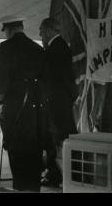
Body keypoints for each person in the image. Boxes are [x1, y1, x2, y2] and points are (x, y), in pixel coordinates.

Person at [0, 15, 46, 192]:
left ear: (8, 30)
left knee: (16, 150)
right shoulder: (37, 47)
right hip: (35, 107)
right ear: (21, 27)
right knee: (34, 151)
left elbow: (1, 80)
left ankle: (20, 188)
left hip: (14, 106)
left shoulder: (5, 47)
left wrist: (0, 102)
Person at [39, 18, 78, 188]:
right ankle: (55, 176)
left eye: (41, 30)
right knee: (54, 141)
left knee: (61, 140)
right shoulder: (57, 47)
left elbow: (53, 79)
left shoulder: (57, 48)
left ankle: (66, 178)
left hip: (58, 104)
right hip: (57, 103)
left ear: (49, 30)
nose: (40, 34)